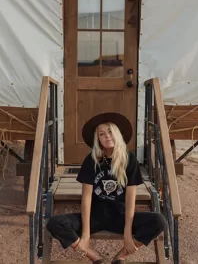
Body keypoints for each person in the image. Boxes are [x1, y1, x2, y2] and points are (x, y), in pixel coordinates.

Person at [46, 112, 167, 264]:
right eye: (101, 134)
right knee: (54, 223)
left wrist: (128, 234)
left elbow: (130, 198)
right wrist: (85, 235)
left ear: (117, 133)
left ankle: (120, 257)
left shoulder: (129, 160)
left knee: (159, 220)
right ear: (98, 139)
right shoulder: (92, 160)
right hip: (95, 216)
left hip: (120, 216)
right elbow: (87, 197)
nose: (107, 136)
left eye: (110, 131)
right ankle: (95, 258)